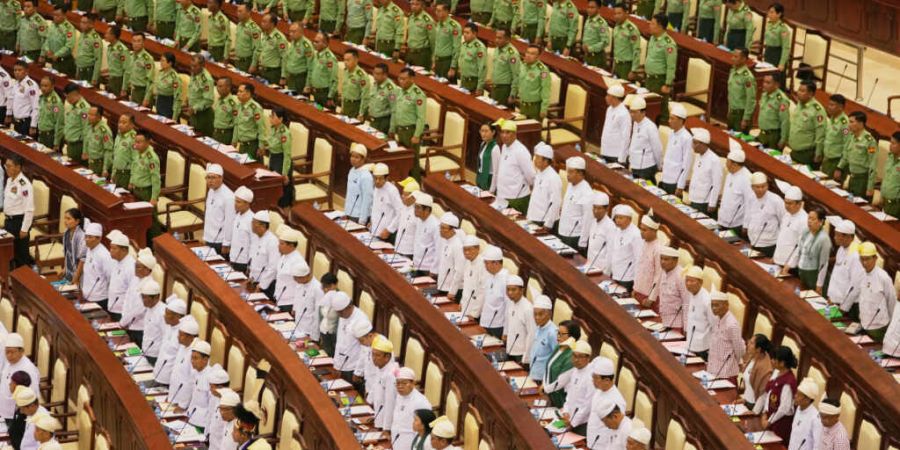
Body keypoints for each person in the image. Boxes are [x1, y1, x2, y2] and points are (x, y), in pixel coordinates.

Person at [753, 346, 797, 442]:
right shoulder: (777, 372)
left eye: (774, 359)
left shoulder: (788, 382)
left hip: (780, 424)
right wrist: (764, 413)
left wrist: (769, 421)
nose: (772, 361)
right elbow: (768, 393)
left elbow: (784, 408)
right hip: (769, 418)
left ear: (782, 363)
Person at [490, 119, 534, 213]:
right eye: (502, 132)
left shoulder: (521, 151)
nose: (504, 135)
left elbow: (531, 176)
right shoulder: (504, 146)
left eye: (508, 132)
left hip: (517, 197)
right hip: (502, 196)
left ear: (514, 134)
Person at [390, 69, 427, 179]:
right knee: (401, 159)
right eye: (399, 78)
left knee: (413, 161)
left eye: (404, 79)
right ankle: (403, 182)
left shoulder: (418, 94)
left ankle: (416, 186)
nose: (401, 81)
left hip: (411, 131)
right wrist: (393, 129)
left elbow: (421, 118)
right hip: (400, 130)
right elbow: (395, 111)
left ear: (411, 79)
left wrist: (416, 135)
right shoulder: (399, 91)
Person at [857, 242, 896, 342]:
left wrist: (891, 326)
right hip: (864, 323)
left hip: (879, 327)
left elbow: (891, 301)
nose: (864, 263)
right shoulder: (861, 273)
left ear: (875, 258)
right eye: (862, 259)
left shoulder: (883, 277)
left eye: (867, 259)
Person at [585, 357, 627, 448]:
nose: (593, 380)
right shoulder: (599, 390)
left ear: (607, 380)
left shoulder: (617, 401)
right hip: (591, 442)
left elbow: (616, 433)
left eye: (596, 378)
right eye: (593, 377)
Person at [836, 111, 877, 198]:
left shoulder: (869, 141)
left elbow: (872, 165)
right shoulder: (851, 136)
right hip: (852, 176)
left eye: (851, 122)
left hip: (862, 179)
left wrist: (870, 187)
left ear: (861, 123)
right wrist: (839, 168)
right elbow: (846, 154)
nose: (848, 125)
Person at [4, 155, 36, 268]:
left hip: (19, 223)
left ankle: (25, 279)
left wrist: (24, 229)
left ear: (18, 167)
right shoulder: (9, 180)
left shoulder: (24, 185)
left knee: (21, 255)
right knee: (9, 253)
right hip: (9, 221)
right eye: (5, 165)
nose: (6, 168)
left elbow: (29, 209)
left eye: (9, 166)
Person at [644, 14, 677, 121]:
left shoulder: (669, 43)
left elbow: (671, 66)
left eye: (653, 23)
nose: (650, 25)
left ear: (660, 26)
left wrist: (667, 84)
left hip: (660, 81)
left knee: (660, 112)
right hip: (649, 78)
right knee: (648, 109)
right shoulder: (653, 38)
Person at [121, 248, 156, 346]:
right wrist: (124, 317)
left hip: (140, 328)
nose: (135, 269)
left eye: (138, 267)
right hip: (127, 323)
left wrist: (124, 322)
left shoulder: (150, 285)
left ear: (147, 269)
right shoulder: (135, 279)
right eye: (135, 266)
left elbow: (139, 309)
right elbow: (127, 298)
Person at [0, 334, 40, 421]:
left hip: (17, 413)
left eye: (12, 352)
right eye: (7, 352)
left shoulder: (28, 369)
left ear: (21, 351)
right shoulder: (10, 362)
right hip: (4, 407)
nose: (9, 356)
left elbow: (32, 394)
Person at [390, 367, 432, 449]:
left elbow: (425, 429)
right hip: (396, 439)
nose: (400, 386)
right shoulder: (400, 395)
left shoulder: (421, 402)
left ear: (413, 383)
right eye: (398, 383)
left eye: (404, 383)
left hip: (410, 442)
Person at [744, 172, 784, 257]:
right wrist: (746, 226)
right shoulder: (750, 197)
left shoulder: (776, 200)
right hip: (753, 240)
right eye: (757, 187)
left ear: (767, 186)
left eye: (763, 186)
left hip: (769, 244)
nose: (761, 189)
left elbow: (783, 221)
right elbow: (748, 214)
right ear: (752, 187)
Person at [622, 97, 662, 181]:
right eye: (630, 112)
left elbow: (657, 149)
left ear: (643, 112)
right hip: (635, 165)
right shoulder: (636, 123)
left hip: (646, 168)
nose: (631, 114)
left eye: (634, 112)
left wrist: (659, 165)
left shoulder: (650, 127)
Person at [557, 156, 593, 249]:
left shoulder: (586, 192)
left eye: (571, 172)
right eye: (567, 171)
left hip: (574, 236)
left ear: (580, 173)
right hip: (563, 230)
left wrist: (583, 242)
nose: (567, 175)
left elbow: (588, 218)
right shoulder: (571, 184)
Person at [708, 292, 744, 381]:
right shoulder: (717, 319)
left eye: (717, 305)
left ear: (726, 305)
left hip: (726, 373)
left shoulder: (732, 325)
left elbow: (739, 350)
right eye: (712, 305)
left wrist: (735, 363)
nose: (714, 308)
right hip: (713, 370)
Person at [787, 81, 826, 166]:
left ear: (810, 94)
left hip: (807, 154)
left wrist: (818, 153)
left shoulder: (817, 110)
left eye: (802, 91)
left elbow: (820, 134)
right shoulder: (800, 104)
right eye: (799, 89)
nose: (798, 92)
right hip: (794, 150)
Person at [526, 143, 562, 230]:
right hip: (534, 217)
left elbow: (555, 203)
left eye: (538, 158)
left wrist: (548, 224)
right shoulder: (539, 172)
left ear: (546, 161)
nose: (535, 160)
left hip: (544, 222)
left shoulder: (553, 178)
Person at [542, 321, 578, 407]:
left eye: (562, 334)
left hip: (561, 399)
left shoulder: (572, 355)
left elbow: (560, 382)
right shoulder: (559, 347)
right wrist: (543, 384)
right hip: (548, 393)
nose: (558, 336)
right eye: (558, 333)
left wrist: (545, 389)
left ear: (572, 336)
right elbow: (548, 366)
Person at [151, 296, 186, 385]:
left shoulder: (182, 334)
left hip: (169, 381)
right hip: (157, 374)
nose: (164, 316)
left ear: (177, 316)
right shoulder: (169, 326)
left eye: (167, 314)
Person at [560, 340, 593, 435]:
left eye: (580, 357)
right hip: (569, 419)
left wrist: (573, 422)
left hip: (582, 424)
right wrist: (566, 411)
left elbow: (587, 406)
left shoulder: (591, 377)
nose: (576, 360)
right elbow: (569, 395)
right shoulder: (575, 370)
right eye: (574, 355)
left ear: (588, 358)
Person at [688, 129, 724, 215]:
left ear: (703, 144)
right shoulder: (698, 156)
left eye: (695, 143)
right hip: (694, 197)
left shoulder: (714, 160)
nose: (693, 146)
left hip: (705, 202)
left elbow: (717, 184)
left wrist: (712, 203)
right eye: (693, 142)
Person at [659, 104, 693, 196]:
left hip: (675, 181)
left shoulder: (687, 138)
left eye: (672, 119)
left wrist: (680, 186)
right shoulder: (672, 133)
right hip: (665, 176)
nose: (669, 121)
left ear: (681, 120)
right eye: (669, 118)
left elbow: (686, 164)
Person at [773, 185, 807, 276]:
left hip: (790, 266)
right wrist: (775, 256)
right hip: (779, 260)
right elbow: (781, 237)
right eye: (785, 203)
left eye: (790, 203)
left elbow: (800, 246)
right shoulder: (787, 214)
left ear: (799, 204)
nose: (786, 206)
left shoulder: (803, 220)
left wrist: (789, 265)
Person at [796, 206, 831, 292]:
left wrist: (819, 285)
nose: (809, 221)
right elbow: (798, 250)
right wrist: (788, 266)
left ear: (821, 221)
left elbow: (824, 264)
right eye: (809, 218)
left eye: (813, 219)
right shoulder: (805, 231)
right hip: (802, 272)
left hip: (814, 276)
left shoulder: (824, 239)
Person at [202, 163, 235, 255]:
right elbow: (209, 216)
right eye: (208, 177)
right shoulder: (211, 191)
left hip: (219, 241)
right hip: (209, 237)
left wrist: (226, 243)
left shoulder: (229, 197)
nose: (210, 181)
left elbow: (229, 222)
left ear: (221, 178)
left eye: (213, 177)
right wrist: (205, 236)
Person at [511, 45, 551, 120]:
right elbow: (517, 81)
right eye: (527, 52)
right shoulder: (522, 66)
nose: (528, 55)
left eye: (532, 54)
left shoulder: (542, 70)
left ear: (538, 57)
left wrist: (544, 108)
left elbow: (546, 90)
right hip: (522, 105)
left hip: (535, 107)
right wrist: (513, 94)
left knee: (533, 130)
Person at [684, 266, 715, 360]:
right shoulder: (691, 294)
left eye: (692, 281)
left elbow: (714, 324)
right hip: (690, 343)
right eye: (686, 281)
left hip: (703, 347)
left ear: (701, 282)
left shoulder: (707, 301)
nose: (688, 284)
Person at [607, 205, 641, 290]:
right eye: (617, 217)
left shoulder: (636, 234)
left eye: (621, 218)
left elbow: (639, 259)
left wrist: (636, 282)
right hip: (615, 273)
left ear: (629, 219)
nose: (618, 220)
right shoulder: (617, 230)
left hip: (627, 277)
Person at [80, 222, 113, 309]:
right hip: (87, 294)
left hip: (100, 298)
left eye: (90, 237)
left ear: (99, 238)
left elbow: (110, 277)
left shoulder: (104, 255)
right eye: (86, 236)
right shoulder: (89, 249)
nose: (86, 239)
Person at [735, 334, 773, 409]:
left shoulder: (765, 369)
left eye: (752, 343)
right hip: (744, 400)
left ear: (758, 349)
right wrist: (744, 400)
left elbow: (763, 395)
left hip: (753, 406)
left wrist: (754, 412)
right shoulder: (752, 356)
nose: (748, 344)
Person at [718, 148, 751, 231]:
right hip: (723, 218)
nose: (725, 164)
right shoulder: (730, 174)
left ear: (734, 164)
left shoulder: (747, 179)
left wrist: (746, 225)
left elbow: (749, 203)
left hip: (736, 223)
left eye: (727, 162)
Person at [656, 246, 690, 328]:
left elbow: (687, 303)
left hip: (677, 323)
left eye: (666, 259)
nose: (662, 262)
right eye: (661, 258)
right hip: (663, 319)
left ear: (675, 261)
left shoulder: (681, 276)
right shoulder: (664, 271)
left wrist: (686, 328)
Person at [504, 275, 534, 363]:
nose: (510, 292)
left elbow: (531, 334)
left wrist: (526, 357)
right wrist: (505, 334)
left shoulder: (528, 308)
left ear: (522, 290)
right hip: (510, 348)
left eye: (513, 290)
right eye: (508, 289)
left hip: (521, 353)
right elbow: (508, 320)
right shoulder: (511, 302)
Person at [369, 335, 398, 429]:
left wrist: (386, 428)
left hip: (385, 423)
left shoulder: (391, 375)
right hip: (378, 415)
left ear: (387, 357)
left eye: (377, 355)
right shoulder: (380, 367)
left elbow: (390, 403)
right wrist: (374, 416)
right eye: (373, 354)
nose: (374, 358)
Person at [248, 210, 280, 295]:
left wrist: (262, 285)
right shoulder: (256, 237)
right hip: (253, 281)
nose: (252, 225)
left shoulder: (272, 241)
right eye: (252, 222)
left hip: (265, 286)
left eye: (254, 223)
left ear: (263, 225)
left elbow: (273, 268)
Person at [144, 53, 184, 121]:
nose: (161, 62)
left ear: (170, 63)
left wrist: (174, 117)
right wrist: (147, 98)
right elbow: (154, 84)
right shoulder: (161, 73)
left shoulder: (175, 77)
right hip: (159, 102)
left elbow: (177, 98)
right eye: (160, 60)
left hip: (168, 105)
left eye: (163, 61)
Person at [290, 261, 323, 341]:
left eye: (297, 278)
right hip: (298, 325)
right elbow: (297, 296)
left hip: (309, 329)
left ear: (306, 276)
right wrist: (294, 309)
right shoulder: (300, 283)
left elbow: (318, 314)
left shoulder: (317, 288)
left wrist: (314, 336)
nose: (295, 280)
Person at [756, 73, 791, 149]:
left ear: (776, 85)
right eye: (764, 82)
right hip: (762, 133)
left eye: (768, 83)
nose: (764, 85)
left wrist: (783, 140)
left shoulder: (781, 99)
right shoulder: (764, 95)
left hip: (773, 136)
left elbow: (785, 121)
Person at [232, 83, 267, 159]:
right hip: (242, 145)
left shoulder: (255, 108)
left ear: (248, 94)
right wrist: (234, 140)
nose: (238, 93)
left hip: (252, 146)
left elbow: (261, 128)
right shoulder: (238, 106)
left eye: (241, 91)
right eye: (238, 91)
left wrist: (261, 146)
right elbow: (237, 124)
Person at [820, 95, 850, 180]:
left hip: (836, 162)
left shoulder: (845, 124)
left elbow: (847, 146)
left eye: (832, 105)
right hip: (827, 159)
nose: (828, 107)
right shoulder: (832, 119)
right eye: (829, 104)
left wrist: (839, 167)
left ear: (840, 107)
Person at [480, 245, 508, 337]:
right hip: (485, 322)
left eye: (486, 263)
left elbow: (509, 308)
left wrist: (506, 332)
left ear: (495, 263)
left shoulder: (506, 280)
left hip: (498, 326)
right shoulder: (490, 275)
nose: (485, 266)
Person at [105, 230, 133, 322]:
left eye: (114, 249)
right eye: (110, 248)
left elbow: (132, 293)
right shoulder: (116, 261)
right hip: (112, 307)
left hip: (122, 312)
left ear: (124, 250)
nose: (110, 251)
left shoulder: (131, 267)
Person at [369, 164, 402, 241]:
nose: (377, 181)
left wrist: (389, 230)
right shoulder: (376, 188)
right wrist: (372, 221)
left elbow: (400, 212)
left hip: (386, 233)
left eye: (380, 179)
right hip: (375, 230)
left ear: (387, 178)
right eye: (375, 178)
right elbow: (376, 207)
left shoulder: (392, 191)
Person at [41, 4, 76, 76]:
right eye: (54, 15)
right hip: (51, 59)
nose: (55, 17)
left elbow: (69, 46)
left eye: (58, 15)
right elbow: (47, 39)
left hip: (63, 62)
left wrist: (56, 55)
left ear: (64, 15)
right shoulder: (53, 25)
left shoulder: (69, 28)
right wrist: (47, 50)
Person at [633, 213, 661, 302]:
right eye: (641, 228)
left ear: (654, 231)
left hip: (648, 297)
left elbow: (659, 276)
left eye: (644, 230)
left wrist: (651, 299)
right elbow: (639, 268)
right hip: (638, 291)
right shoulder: (643, 242)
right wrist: (635, 288)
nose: (641, 232)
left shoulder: (658, 249)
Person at [727, 48, 757, 133]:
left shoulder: (747, 77)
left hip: (741, 114)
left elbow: (751, 99)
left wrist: (746, 118)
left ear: (744, 59)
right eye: (733, 56)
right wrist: (729, 110)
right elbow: (731, 93)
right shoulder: (733, 71)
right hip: (732, 112)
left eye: (736, 57)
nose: (732, 58)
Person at [528, 295, 557, 382]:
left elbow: (556, 359)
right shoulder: (539, 327)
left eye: (540, 314)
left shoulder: (553, 333)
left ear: (549, 314)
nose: (537, 317)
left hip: (543, 379)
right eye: (535, 314)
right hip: (533, 373)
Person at [185, 340, 213, 428]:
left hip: (202, 424)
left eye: (195, 358)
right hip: (190, 417)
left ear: (205, 360)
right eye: (192, 358)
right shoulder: (195, 372)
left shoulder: (211, 378)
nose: (192, 361)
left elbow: (211, 407)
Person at [600, 85, 632, 163]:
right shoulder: (609, 109)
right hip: (605, 150)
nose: (606, 97)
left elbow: (626, 138)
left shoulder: (624, 114)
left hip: (615, 155)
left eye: (608, 96)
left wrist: (622, 158)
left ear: (615, 98)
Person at [435, 213, 464, 298]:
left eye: (443, 228)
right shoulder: (445, 240)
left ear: (452, 230)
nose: (440, 230)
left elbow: (459, 271)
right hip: (442, 285)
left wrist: (452, 291)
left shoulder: (458, 245)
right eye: (440, 227)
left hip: (451, 291)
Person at [360, 63, 395, 134]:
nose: (375, 76)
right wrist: (363, 113)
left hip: (383, 122)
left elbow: (394, 110)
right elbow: (370, 100)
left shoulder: (391, 89)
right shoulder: (375, 84)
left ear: (385, 75)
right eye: (374, 73)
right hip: (373, 119)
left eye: (378, 74)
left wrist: (392, 129)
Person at [7, 60, 39, 137]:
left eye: (20, 70)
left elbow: (36, 107)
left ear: (26, 71)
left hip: (27, 122)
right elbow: (11, 99)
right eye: (15, 70)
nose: (17, 72)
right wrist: (9, 114)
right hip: (16, 121)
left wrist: (33, 125)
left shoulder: (31, 85)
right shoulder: (16, 83)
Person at [273, 226, 303, 306]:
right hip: (279, 298)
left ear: (291, 246)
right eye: (279, 243)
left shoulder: (298, 262)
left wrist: (296, 307)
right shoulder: (283, 256)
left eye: (282, 244)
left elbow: (301, 286)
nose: (278, 246)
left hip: (290, 303)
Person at [410, 193, 439, 276]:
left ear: (427, 210)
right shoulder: (419, 220)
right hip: (416, 265)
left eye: (418, 207)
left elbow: (438, 250)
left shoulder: (435, 225)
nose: (415, 210)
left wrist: (434, 270)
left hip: (428, 269)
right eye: (415, 207)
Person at [122, 32, 155, 105]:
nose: (136, 44)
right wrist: (124, 88)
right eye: (134, 41)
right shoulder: (130, 55)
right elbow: (127, 72)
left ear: (143, 42)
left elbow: (150, 81)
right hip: (132, 89)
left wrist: (146, 98)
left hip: (142, 91)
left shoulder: (147, 59)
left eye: (139, 41)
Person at [489, 29, 519, 107]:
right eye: (496, 37)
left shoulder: (512, 53)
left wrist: (513, 94)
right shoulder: (497, 49)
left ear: (507, 39)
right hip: (495, 87)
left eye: (500, 38)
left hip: (504, 89)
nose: (496, 40)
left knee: (499, 113)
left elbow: (516, 75)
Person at [584, 192, 614, 273]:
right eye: (594, 208)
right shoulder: (593, 221)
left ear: (606, 209)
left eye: (599, 208)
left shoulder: (610, 226)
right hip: (589, 265)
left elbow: (610, 253)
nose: (596, 211)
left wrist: (606, 274)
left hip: (601, 269)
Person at [187, 55, 215, 137]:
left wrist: (195, 108)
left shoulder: (206, 80)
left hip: (203, 115)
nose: (192, 68)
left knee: (202, 140)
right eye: (191, 65)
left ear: (202, 65)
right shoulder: (195, 73)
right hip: (193, 112)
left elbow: (209, 100)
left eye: (195, 66)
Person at [790, 379, 822, 450]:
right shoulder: (798, 408)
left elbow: (818, 446)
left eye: (799, 395)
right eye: (796, 393)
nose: (795, 396)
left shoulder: (816, 419)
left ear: (807, 399)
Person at [611, 3, 641, 80]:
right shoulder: (617, 26)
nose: (616, 16)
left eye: (619, 13)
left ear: (626, 14)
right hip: (617, 64)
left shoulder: (632, 29)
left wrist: (633, 70)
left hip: (626, 66)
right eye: (615, 13)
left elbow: (636, 50)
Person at [345, 146, 374, 224]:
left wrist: (362, 219)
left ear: (363, 159)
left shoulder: (366, 176)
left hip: (359, 216)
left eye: (356, 157)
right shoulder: (351, 170)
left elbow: (367, 199)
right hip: (349, 212)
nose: (353, 159)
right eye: (352, 156)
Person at [12, 385, 47, 450]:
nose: (21, 412)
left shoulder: (42, 421)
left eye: (22, 409)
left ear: (32, 406)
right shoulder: (32, 413)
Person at [228, 187, 254, 271]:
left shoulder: (252, 220)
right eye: (235, 201)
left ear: (247, 204)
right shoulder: (238, 215)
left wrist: (250, 265)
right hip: (232, 257)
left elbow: (254, 244)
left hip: (243, 261)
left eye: (238, 202)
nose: (235, 204)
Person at [456, 23, 487, 94]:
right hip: (464, 80)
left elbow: (482, 68)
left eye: (467, 33)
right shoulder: (464, 45)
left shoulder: (479, 47)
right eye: (464, 32)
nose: (464, 35)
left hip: (473, 82)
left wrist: (480, 87)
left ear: (474, 34)